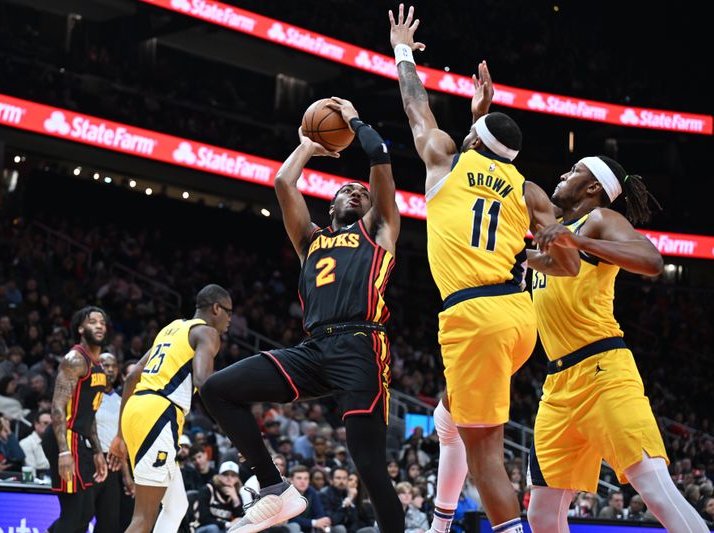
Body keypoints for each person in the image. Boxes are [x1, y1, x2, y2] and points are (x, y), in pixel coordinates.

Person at [388, 6, 579, 533]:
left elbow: (415, 106)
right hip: (519, 316)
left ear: (473, 140)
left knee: (485, 454)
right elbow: (568, 261)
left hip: (474, 319)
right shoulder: (528, 189)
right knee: (448, 416)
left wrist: (403, 49)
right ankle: (440, 524)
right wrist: (533, 257)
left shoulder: (444, 160)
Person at [201, 97, 403, 533]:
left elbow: (379, 155)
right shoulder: (310, 239)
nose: (357, 191)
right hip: (313, 349)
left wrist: (351, 117)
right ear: (329, 208)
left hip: (361, 346)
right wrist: (309, 146)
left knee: (369, 467)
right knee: (217, 389)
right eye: (347, 190)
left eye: (362, 192)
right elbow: (283, 182)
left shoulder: (380, 228)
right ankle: (276, 489)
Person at [526, 155, 709, 532]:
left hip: (602, 372)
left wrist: (576, 239)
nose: (563, 173)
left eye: (575, 170)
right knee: (542, 514)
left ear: (594, 187)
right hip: (557, 386)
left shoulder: (598, 220)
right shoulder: (557, 235)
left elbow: (652, 260)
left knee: (656, 492)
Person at [110, 284, 233, 533]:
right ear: (217, 308)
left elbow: (133, 375)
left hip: (138, 409)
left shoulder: (172, 328)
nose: (231, 319)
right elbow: (203, 382)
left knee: (177, 505)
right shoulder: (207, 333)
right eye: (229, 312)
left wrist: (120, 435)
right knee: (143, 518)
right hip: (159, 414)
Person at [42, 306, 111, 533]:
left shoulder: (98, 364)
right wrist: (63, 451)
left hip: (81, 440)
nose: (99, 325)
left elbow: (89, 414)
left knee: (86, 513)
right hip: (66, 438)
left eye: (102, 322)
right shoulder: (75, 359)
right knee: (73, 515)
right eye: (93, 322)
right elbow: (58, 407)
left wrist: (98, 450)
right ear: (81, 328)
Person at [90, 352, 133, 533]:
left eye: (113, 366)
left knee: (109, 522)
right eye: (105, 365)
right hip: (90, 458)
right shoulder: (88, 395)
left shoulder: (120, 401)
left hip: (113, 462)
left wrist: (127, 476)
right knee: (79, 515)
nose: (110, 370)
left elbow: (120, 442)